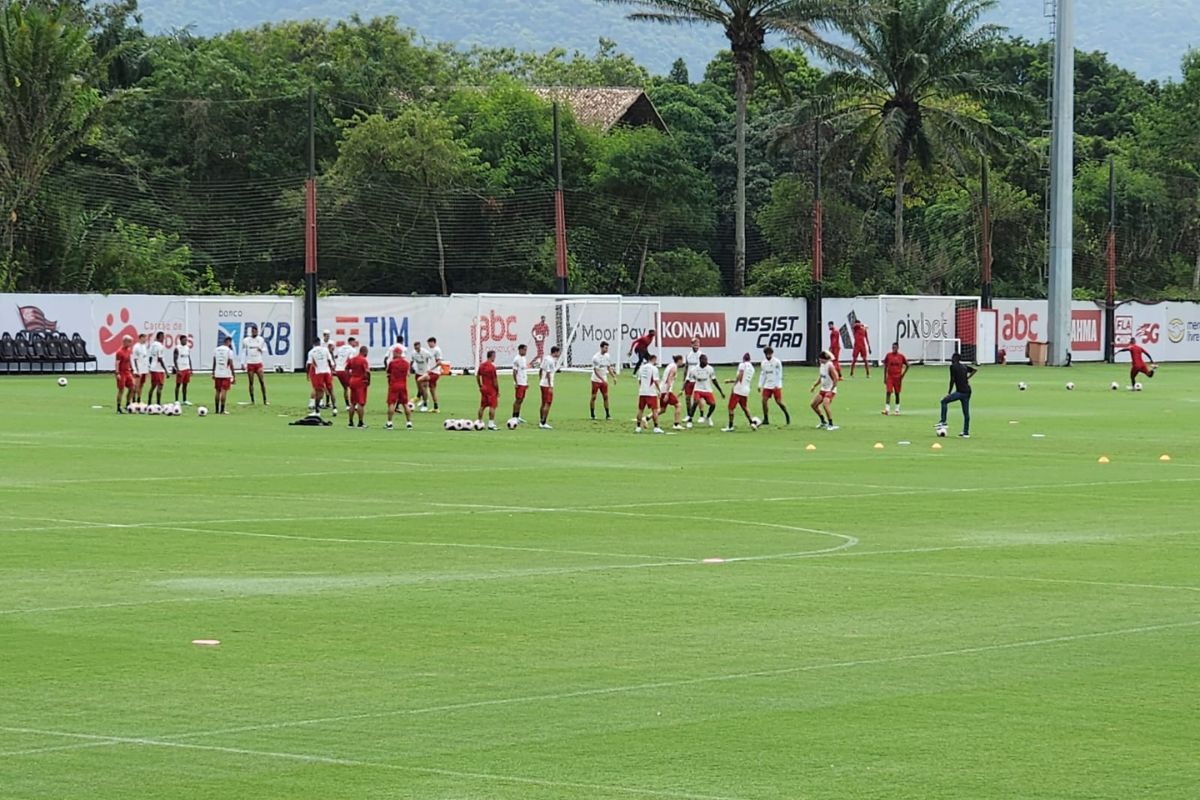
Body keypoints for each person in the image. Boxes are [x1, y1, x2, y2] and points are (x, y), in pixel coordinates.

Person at [938, 352, 977, 439]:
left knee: (944, 401)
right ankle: (966, 432)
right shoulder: (964, 367)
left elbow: (952, 380)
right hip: (968, 392)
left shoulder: (953, 367)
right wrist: (967, 378)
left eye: (952, 358)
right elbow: (974, 370)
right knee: (966, 412)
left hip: (960, 392)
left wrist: (948, 393)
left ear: (954, 359)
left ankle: (943, 421)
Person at [687, 354, 723, 427]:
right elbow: (689, 380)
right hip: (698, 389)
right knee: (696, 402)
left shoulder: (710, 369)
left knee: (713, 404)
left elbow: (714, 380)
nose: (706, 362)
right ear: (700, 360)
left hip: (707, 389)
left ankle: (708, 417)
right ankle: (690, 419)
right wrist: (683, 389)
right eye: (705, 360)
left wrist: (721, 391)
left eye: (707, 360)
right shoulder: (694, 370)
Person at [723, 352, 756, 432]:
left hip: (738, 390)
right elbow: (745, 379)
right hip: (746, 390)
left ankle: (730, 426)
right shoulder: (752, 368)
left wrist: (734, 385)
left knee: (731, 408)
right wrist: (730, 381)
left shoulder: (742, 365)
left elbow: (740, 375)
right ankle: (752, 423)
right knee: (744, 407)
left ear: (743, 359)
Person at [758, 346, 790, 426]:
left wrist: (776, 384)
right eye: (767, 354)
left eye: (769, 354)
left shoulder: (777, 362)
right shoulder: (763, 363)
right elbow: (763, 374)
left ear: (772, 354)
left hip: (776, 385)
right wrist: (760, 385)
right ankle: (766, 419)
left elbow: (779, 374)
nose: (768, 356)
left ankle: (787, 415)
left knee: (779, 402)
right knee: (764, 401)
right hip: (767, 385)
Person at [385, 344, 413, 430]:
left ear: (397, 353)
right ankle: (409, 423)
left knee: (391, 403)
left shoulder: (392, 363)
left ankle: (389, 423)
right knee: (405, 404)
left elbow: (388, 372)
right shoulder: (406, 363)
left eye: (394, 353)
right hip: (403, 385)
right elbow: (408, 374)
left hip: (394, 385)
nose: (393, 354)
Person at [810, 350, 839, 431]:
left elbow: (836, 378)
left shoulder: (830, 366)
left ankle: (831, 424)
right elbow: (821, 377)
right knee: (813, 405)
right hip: (823, 389)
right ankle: (823, 421)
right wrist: (814, 385)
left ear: (824, 359)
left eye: (821, 359)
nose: (820, 361)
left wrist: (832, 390)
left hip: (830, 390)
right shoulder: (822, 365)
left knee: (825, 405)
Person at [241, 324, 269, 405]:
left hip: (258, 363)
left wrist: (261, 350)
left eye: (255, 330)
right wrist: (242, 363)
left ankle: (265, 399)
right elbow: (243, 352)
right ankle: (252, 400)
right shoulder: (246, 340)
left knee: (262, 381)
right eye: (252, 331)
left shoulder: (261, 340)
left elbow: (265, 349)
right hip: (250, 363)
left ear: (257, 331)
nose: (253, 332)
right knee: (251, 382)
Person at [635, 354, 663, 434]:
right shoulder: (654, 369)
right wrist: (659, 390)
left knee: (640, 409)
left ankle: (638, 427)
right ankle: (656, 427)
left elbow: (639, 381)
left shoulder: (641, 368)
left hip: (642, 392)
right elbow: (655, 381)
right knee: (654, 410)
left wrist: (641, 388)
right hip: (651, 393)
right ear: (653, 359)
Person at [306, 336, 334, 415]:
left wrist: (307, 374)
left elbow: (308, 364)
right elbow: (330, 362)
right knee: (320, 388)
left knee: (319, 388)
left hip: (317, 371)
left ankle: (318, 403)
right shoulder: (325, 350)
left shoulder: (312, 351)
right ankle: (313, 403)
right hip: (319, 371)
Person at [346, 344, 371, 428]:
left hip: (352, 381)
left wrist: (349, 377)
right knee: (361, 403)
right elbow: (367, 372)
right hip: (360, 382)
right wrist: (368, 380)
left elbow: (346, 368)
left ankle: (350, 422)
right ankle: (360, 422)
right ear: (365, 352)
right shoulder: (363, 360)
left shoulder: (353, 359)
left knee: (352, 403)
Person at [590, 341, 616, 421]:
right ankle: (592, 414)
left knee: (605, 396)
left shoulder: (607, 356)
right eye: (605, 347)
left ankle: (607, 414)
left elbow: (608, 368)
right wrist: (601, 380)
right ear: (601, 347)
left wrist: (614, 377)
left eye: (607, 347)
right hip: (596, 380)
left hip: (604, 379)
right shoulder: (595, 358)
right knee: (594, 397)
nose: (607, 349)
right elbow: (596, 371)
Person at [882, 342, 910, 415]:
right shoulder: (888, 355)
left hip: (898, 378)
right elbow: (885, 366)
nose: (893, 349)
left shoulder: (901, 356)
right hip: (890, 377)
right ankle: (887, 410)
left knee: (897, 393)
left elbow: (908, 365)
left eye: (895, 347)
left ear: (897, 348)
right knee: (888, 392)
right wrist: (885, 377)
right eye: (892, 347)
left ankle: (897, 410)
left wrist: (903, 375)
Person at [211, 335, 236, 415]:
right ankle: (222, 410)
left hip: (217, 372)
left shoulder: (216, 349)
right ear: (228, 342)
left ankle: (216, 410)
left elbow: (214, 362)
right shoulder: (229, 351)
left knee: (217, 391)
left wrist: (213, 372)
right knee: (224, 391)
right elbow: (230, 363)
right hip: (225, 373)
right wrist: (233, 375)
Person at [476, 349, 500, 430]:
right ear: (492, 356)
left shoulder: (482, 365)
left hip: (484, 388)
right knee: (492, 406)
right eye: (494, 356)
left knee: (482, 406)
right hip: (491, 389)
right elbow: (495, 381)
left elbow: (477, 376)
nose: (495, 358)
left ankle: (479, 422)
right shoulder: (492, 367)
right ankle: (491, 424)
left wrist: (480, 385)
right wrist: (498, 390)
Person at [682, 337, 704, 421]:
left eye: (698, 344)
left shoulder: (701, 355)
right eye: (695, 344)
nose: (696, 346)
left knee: (698, 398)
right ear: (691, 345)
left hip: (697, 380)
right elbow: (686, 367)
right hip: (689, 379)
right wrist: (684, 379)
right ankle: (689, 415)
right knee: (687, 398)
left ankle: (701, 415)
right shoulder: (688, 355)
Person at [660, 354, 684, 430]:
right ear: (679, 360)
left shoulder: (670, 365)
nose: (682, 363)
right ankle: (676, 424)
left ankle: (646, 418)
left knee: (662, 409)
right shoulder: (674, 368)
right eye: (682, 361)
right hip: (666, 390)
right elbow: (669, 380)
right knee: (678, 405)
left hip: (662, 389)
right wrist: (667, 394)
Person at [538, 345, 560, 429]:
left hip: (542, 383)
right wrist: (550, 386)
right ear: (555, 352)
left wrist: (540, 380)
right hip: (547, 385)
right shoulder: (550, 361)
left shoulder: (546, 358)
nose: (559, 354)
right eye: (558, 352)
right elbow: (548, 373)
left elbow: (540, 369)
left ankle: (541, 420)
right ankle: (543, 422)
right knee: (548, 403)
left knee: (543, 402)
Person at [334, 336, 357, 411]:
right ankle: (353, 404)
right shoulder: (352, 350)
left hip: (338, 370)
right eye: (354, 342)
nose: (355, 343)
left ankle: (347, 405)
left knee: (345, 388)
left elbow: (336, 356)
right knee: (353, 387)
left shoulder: (340, 348)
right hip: (345, 370)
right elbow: (350, 360)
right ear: (350, 342)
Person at [410, 340, 434, 412]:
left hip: (425, 373)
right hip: (418, 373)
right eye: (415, 347)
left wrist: (430, 368)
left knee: (424, 389)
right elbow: (411, 361)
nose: (416, 348)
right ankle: (422, 399)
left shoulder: (425, 352)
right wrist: (410, 369)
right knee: (420, 389)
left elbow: (432, 358)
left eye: (417, 346)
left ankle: (425, 404)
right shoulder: (413, 353)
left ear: (420, 346)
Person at [147, 331, 169, 406]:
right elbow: (160, 359)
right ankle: (158, 404)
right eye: (163, 337)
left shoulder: (152, 345)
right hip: (158, 369)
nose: (164, 338)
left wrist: (150, 366)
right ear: (159, 337)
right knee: (160, 386)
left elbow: (150, 357)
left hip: (153, 368)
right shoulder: (160, 346)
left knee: (153, 386)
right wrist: (166, 371)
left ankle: (149, 403)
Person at [114, 334, 134, 413]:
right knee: (121, 390)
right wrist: (117, 373)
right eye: (129, 342)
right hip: (121, 372)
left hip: (127, 372)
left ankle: (128, 404)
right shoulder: (119, 352)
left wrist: (132, 368)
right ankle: (118, 407)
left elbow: (129, 360)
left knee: (132, 388)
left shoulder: (128, 350)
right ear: (125, 342)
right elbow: (117, 363)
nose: (130, 344)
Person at [512, 343, 529, 423]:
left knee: (521, 399)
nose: (526, 351)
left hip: (524, 382)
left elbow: (524, 371)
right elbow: (514, 372)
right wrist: (516, 382)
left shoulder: (524, 358)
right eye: (525, 350)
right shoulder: (516, 359)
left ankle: (518, 416)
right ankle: (514, 417)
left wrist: (526, 382)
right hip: (519, 383)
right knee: (518, 400)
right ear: (520, 350)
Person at [320, 329, 337, 410]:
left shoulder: (331, 343)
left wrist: (333, 364)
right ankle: (323, 402)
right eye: (326, 335)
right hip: (321, 364)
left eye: (328, 335)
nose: (328, 336)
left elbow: (332, 353)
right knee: (322, 385)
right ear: (323, 335)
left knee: (328, 385)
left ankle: (327, 402)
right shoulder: (320, 343)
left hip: (328, 365)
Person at [425, 337, 444, 412]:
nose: (429, 344)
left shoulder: (437, 350)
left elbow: (439, 362)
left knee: (421, 380)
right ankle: (436, 408)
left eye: (429, 343)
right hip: (432, 372)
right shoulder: (432, 350)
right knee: (432, 390)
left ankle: (419, 398)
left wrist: (431, 369)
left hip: (434, 373)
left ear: (433, 342)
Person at [173, 335, 193, 405]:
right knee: (178, 385)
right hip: (181, 369)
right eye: (184, 340)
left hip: (186, 368)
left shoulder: (187, 348)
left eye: (186, 340)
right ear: (180, 340)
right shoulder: (177, 348)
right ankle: (176, 400)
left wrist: (190, 368)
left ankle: (184, 400)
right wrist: (177, 370)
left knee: (185, 385)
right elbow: (175, 359)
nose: (185, 341)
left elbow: (188, 358)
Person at [131, 333, 149, 403]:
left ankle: (139, 398)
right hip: (138, 370)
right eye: (144, 338)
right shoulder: (136, 347)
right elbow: (135, 359)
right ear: (141, 338)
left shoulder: (144, 346)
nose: (146, 339)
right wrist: (137, 370)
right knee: (136, 385)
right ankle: (133, 399)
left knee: (141, 385)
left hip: (144, 369)